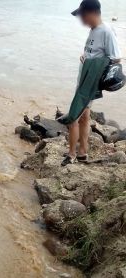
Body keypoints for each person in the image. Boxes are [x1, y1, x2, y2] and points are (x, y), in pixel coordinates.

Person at [61, 0, 121, 166]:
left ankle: (71, 155)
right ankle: (82, 153)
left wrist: (97, 74)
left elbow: (115, 59)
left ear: (91, 13)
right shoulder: (94, 30)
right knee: (85, 117)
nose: (81, 20)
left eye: (82, 16)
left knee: (73, 118)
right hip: (83, 80)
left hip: (90, 84)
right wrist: (85, 56)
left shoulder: (106, 31)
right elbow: (95, 53)